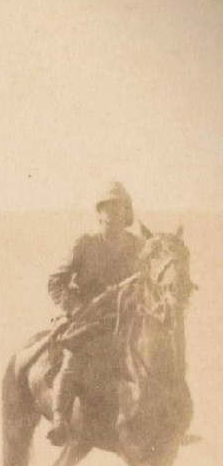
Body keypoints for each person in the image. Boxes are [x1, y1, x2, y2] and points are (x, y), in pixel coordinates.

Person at [44, 181, 143, 444]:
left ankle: (167, 422)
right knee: (73, 361)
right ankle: (59, 419)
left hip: (124, 320)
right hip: (87, 319)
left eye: (119, 207)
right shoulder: (85, 244)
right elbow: (55, 282)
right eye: (107, 207)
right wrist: (76, 307)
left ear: (127, 212)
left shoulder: (138, 247)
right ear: (99, 213)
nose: (113, 213)